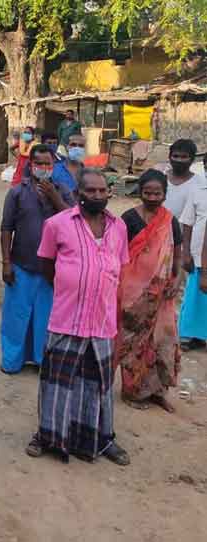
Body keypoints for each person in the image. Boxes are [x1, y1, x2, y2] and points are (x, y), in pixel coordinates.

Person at [27, 168, 130, 466]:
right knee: (56, 384)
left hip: (102, 321)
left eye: (102, 191)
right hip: (67, 318)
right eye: (91, 191)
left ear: (108, 193)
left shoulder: (119, 228)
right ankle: (47, 436)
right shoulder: (57, 224)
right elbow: (47, 265)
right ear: (79, 193)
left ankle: (101, 438)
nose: (97, 196)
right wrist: (71, 285)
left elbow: (119, 270)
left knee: (98, 384)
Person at [0, 145, 74, 374]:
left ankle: (44, 361)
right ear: (30, 165)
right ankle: (12, 361)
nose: (44, 168)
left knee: (47, 318)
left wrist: (54, 197)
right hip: (22, 263)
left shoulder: (63, 190)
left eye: (48, 164)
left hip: (52, 269)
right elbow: (6, 228)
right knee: (16, 317)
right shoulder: (17, 192)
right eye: (39, 164)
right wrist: (5, 262)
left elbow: (74, 222)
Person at [116, 169, 181, 412]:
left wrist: (175, 280)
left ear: (165, 193)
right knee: (133, 342)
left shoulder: (169, 219)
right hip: (133, 293)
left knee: (161, 342)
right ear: (140, 192)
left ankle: (156, 391)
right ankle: (131, 392)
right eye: (147, 193)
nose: (152, 197)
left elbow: (177, 251)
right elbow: (119, 253)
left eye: (158, 193)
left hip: (162, 293)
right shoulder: (128, 219)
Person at [179, 163, 207, 351]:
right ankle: (191, 336)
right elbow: (187, 222)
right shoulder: (198, 191)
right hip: (198, 253)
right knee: (196, 295)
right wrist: (186, 251)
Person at [163, 139, 206, 219]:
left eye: (184, 157)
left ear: (192, 159)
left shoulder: (200, 184)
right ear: (169, 157)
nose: (179, 160)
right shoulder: (160, 178)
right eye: (175, 156)